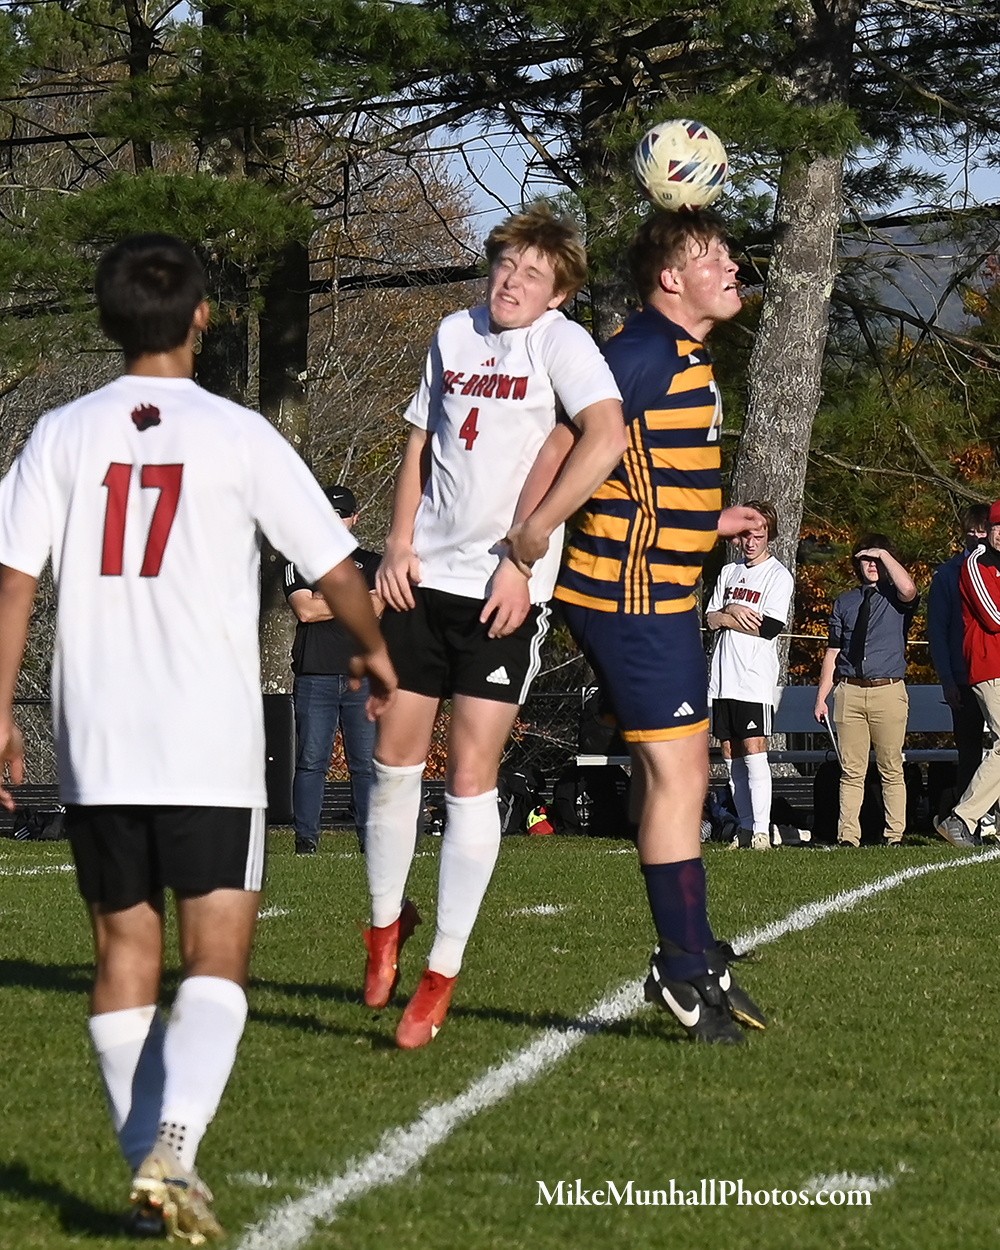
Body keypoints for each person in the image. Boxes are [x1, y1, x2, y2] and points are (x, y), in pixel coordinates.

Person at [0, 234, 395, 1241]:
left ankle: (148, 1168)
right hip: (207, 736)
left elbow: (12, 581)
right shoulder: (237, 433)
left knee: (122, 950)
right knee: (216, 954)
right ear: (204, 317)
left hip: (97, 734)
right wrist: (374, 648)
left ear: (107, 320)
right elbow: (335, 563)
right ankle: (173, 1144)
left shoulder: (61, 433)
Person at [364, 203, 627, 1049]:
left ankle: (441, 972)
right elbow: (417, 447)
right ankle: (383, 925)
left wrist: (529, 545)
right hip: (424, 582)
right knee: (392, 763)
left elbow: (606, 438)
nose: (512, 283)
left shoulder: (561, 344)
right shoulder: (452, 332)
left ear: (559, 294)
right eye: (505, 266)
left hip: (502, 594)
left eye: (532, 275)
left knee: (470, 776)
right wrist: (396, 544)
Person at [552, 208, 768, 1045]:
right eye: (713, 256)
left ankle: (694, 948)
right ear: (671, 280)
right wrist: (525, 543)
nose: (731, 266)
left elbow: (639, 471)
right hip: (630, 596)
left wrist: (706, 523)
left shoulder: (683, 351)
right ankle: (681, 965)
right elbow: (567, 444)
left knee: (678, 772)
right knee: (680, 779)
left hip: (662, 592)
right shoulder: (641, 351)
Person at [284, 484, 381, 854]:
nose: (335, 521)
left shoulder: (374, 564)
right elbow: (305, 611)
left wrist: (327, 598)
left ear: (355, 518)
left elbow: (378, 607)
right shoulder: (298, 561)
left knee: (364, 765)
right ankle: (306, 840)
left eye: (342, 515)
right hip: (315, 677)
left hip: (362, 679)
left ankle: (369, 840)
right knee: (311, 762)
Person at [814, 535, 918, 847]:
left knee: (891, 767)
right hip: (850, 691)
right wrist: (822, 696)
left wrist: (883, 554)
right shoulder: (845, 602)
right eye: (866, 559)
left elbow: (909, 589)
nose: (872, 565)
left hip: (887, 689)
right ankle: (848, 836)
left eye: (878, 559)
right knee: (851, 771)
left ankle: (894, 835)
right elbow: (834, 651)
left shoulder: (896, 598)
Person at [706, 500, 794, 850]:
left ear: (769, 535)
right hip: (722, 678)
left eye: (758, 536)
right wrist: (732, 610)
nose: (751, 542)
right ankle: (743, 828)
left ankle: (761, 830)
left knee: (754, 750)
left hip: (753, 679)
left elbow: (769, 627)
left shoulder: (777, 575)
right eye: (746, 536)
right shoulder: (729, 572)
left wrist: (726, 616)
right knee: (730, 753)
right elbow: (710, 618)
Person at [936, 500, 1000, 848]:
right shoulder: (976, 563)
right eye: (996, 528)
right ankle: (962, 817)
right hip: (989, 665)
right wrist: (948, 679)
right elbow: (993, 617)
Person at [927, 504, 989, 814]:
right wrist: (948, 680)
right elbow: (937, 631)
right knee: (969, 752)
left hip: (995, 672)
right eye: (972, 531)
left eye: (983, 531)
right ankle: (967, 819)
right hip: (964, 677)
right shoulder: (947, 574)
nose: (977, 537)